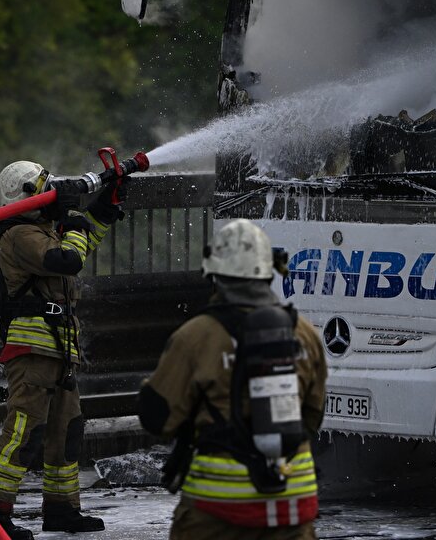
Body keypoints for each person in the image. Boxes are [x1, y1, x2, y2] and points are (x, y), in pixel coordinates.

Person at [138, 218, 327, 540]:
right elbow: (313, 416)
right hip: (293, 500)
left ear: (215, 273)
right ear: (269, 271)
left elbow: (159, 420)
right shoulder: (305, 333)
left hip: (219, 507)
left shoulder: (196, 336)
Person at [0, 160, 123, 540]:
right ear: (28, 195)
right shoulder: (19, 234)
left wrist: (104, 207)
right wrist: (72, 214)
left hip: (58, 347)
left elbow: (81, 244)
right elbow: (68, 260)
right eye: (45, 188)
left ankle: (61, 509)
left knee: (66, 430)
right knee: (24, 432)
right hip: (34, 348)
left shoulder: (42, 230)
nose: (51, 193)